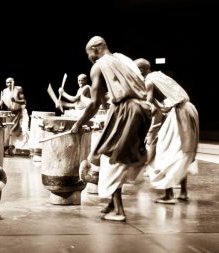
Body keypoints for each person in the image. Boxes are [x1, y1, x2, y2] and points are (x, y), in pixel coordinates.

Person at [72, 36, 151, 221]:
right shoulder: (123, 59)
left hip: (127, 111)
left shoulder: (99, 65)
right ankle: (112, 204)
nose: (89, 58)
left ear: (95, 48)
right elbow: (137, 84)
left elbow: (94, 103)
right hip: (143, 110)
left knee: (110, 158)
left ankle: (119, 211)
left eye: (88, 53)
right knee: (119, 156)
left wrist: (79, 123)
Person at [135, 58, 199, 203]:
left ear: (140, 70)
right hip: (188, 109)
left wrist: (157, 108)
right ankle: (183, 192)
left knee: (165, 152)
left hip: (178, 112)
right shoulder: (159, 75)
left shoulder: (149, 80)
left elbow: (149, 101)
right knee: (181, 151)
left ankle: (168, 194)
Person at [0, 77, 29, 155]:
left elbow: (24, 101)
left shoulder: (18, 89)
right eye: (7, 82)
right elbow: (2, 102)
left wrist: (16, 100)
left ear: (14, 82)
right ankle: (11, 149)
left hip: (20, 113)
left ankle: (23, 150)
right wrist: (0, 103)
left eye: (11, 82)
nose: (9, 84)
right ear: (6, 83)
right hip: (11, 114)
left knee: (23, 130)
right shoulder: (4, 91)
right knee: (10, 132)